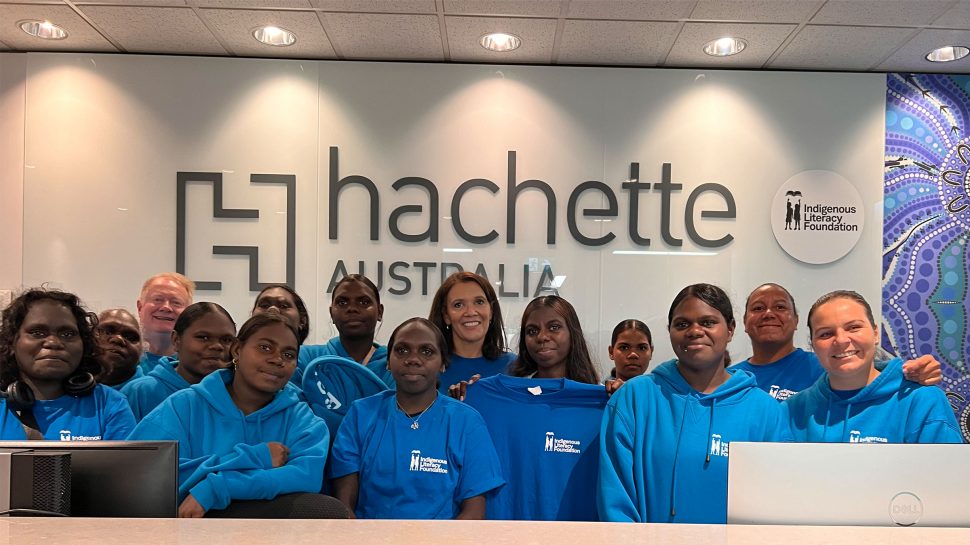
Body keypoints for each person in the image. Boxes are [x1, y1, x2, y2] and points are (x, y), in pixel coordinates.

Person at [598, 283, 783, 524]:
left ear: (730, 329)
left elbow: (773, 506)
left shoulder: (766, 411)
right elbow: (615, 501)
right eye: (682, 324)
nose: (695, 331)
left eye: (707, 322)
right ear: (670, 331)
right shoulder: (634, 398)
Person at [128, 313, 330, 518]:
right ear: (237, 350)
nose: (277, 359)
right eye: (265, 347)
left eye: (288, 355)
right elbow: (142, 472)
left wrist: (219, 487)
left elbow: (306, 476)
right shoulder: (184, 406)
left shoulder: (304, 420)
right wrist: (257, 457)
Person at [330, 318, 504, 519]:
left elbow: (474, 512)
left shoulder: (467, 422)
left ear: (443, 364)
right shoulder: (361, 415)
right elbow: (344, 508)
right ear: (388, 361)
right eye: (402, 350)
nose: (413, 359)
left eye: (427, 351)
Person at [781, 290, 962, 444]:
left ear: (875, 334)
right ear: (812, 345)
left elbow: (945, 480)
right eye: (826, 334)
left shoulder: (922, 401)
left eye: (853, 328)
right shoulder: (792, 411)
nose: (841, 340)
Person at [734, 283, 940, 400]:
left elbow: (871, 373)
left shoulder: (827, 365)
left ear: (796, 320)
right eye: (758, 308)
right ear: (743, 321)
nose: (769, 314)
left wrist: (905, 374)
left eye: (780, 307)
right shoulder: (732, 378)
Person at [0, 289, 135, 440]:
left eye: (68, 334)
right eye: (37, 332)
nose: (53, 343)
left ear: (84, 344)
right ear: (11, 342)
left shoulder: (110, 404)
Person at [122, 302, 235, 421]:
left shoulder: (237, 395)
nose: (217, 346)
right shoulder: (140, 392)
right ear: (176, 340)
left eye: (226, 340)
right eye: (203, 337)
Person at [298, 274, 393, 387]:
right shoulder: (306, 357)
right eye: (342, 303)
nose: (352, 308)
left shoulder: (394, 363)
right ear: (331, 313)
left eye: (364, 302)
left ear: (380, 312)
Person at [429, 272, 515, 394]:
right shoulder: (429, 367)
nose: (470, 312)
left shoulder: (513, 366)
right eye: (458, 305)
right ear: (446, 315)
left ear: (491, 311)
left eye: (479, 302)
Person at [251, 284, 310, 385]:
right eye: (264, 305)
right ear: (237, 350)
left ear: (302, 321)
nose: (272, 309)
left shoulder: (312, 363)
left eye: (283, 306)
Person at [136, 272, 195, 373]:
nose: (166, 307)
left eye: (176, 302)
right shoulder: (118, 358)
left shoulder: (196, 364)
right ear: (140, 307)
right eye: (157, 299)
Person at [94, 308, 145, 390]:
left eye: (130, 337)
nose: (118, 339)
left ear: (141, 353)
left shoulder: (150, 395)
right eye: (107, 332)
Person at [604, 319, 653, 395]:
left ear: (651, 352)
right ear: (611, 352)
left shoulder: (661, 396)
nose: (633, 355)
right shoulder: (595, 397)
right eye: (624, 348)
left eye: (642, 348)